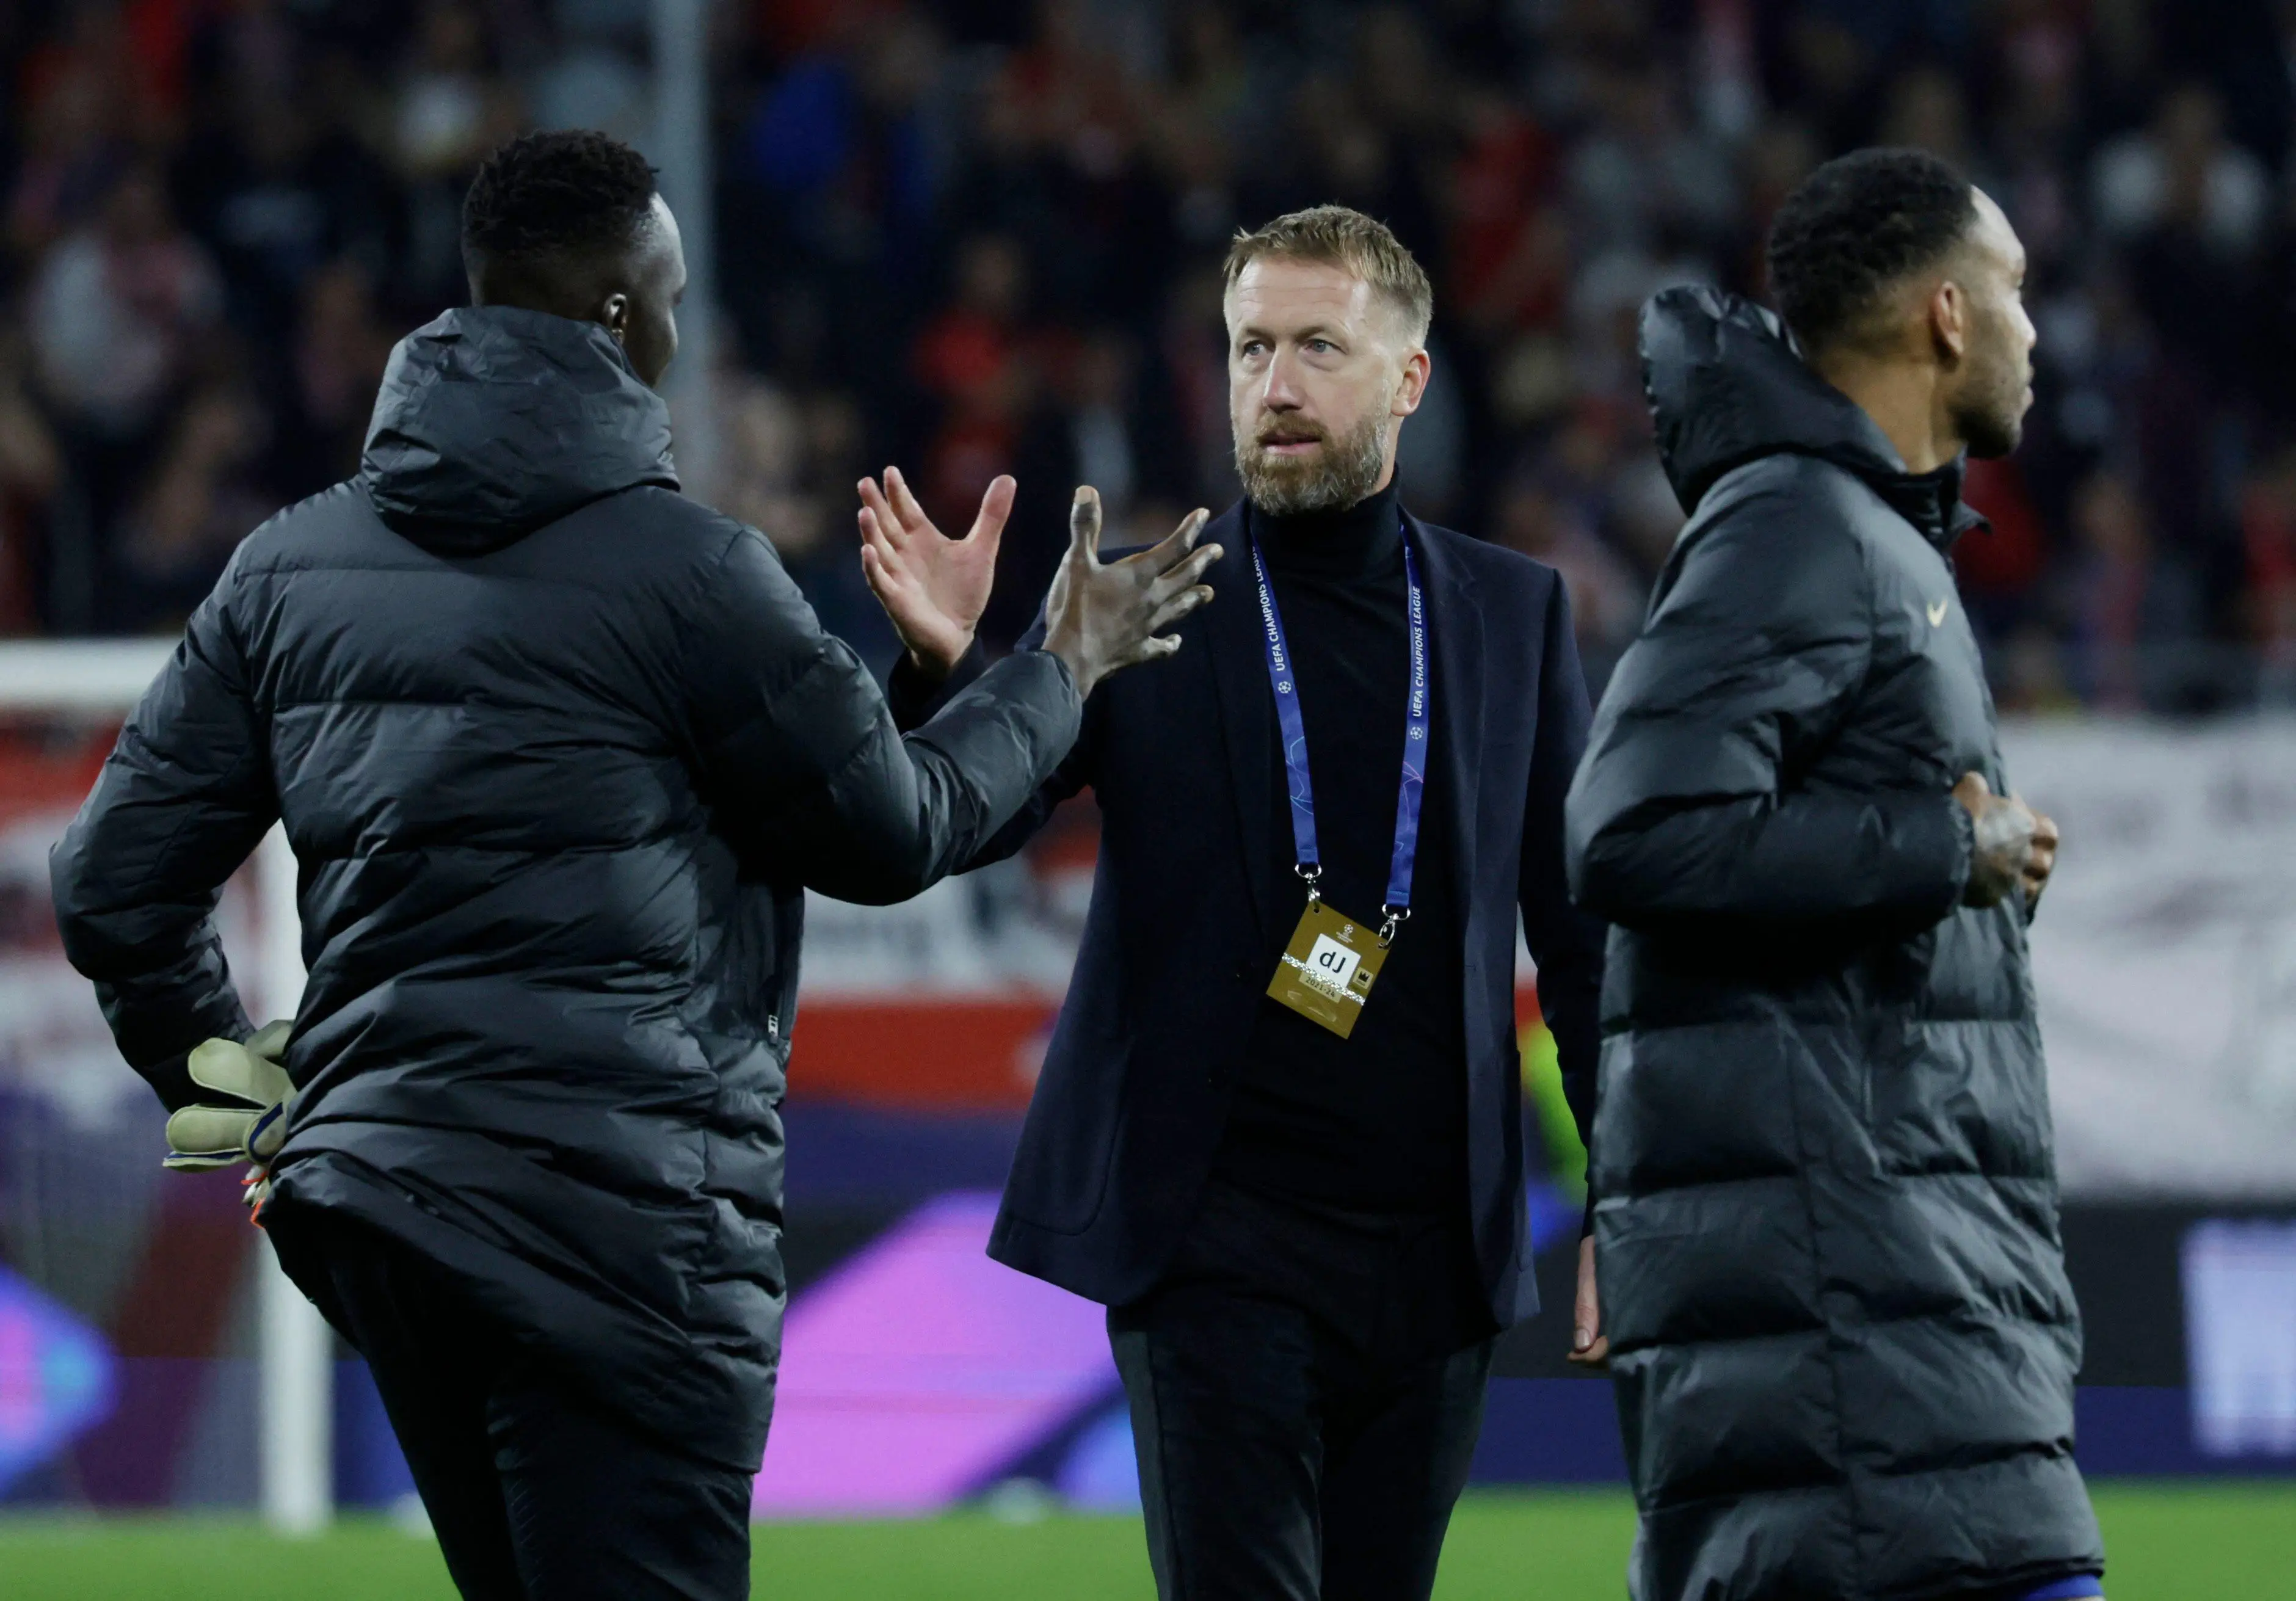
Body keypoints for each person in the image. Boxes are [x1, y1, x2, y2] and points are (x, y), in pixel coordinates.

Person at [47, 129, 1217, 1601]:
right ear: (618, 315)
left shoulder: (287, 565)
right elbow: (897, 836)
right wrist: (1060, 663)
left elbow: (111, 885)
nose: (678, 326)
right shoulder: (690, 574)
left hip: (390, 1216)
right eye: (668, 295)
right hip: (617, 1232)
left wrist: (247, 1104)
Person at [857, 205, 1604, 1601]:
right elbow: (958, 823)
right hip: (1210, 1248)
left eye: (1318, 347)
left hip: (1429, 1262)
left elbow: (1582, 941)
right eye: (1250, 347)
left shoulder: (1510, 616)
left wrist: (1619, 1197)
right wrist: (953, 669)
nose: (1275, 384)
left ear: (1408, 378)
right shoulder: (1140, 606)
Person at [1564, 149, 2104, 1601]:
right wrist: (1943, 847)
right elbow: (1629, 829)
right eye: (2012, 290)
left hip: (1898, 1345)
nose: (2031, 328)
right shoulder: (1798, 524)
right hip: (1858, 1378)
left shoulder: (1867, 538)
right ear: (1944, 313)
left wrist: (1959, 873)